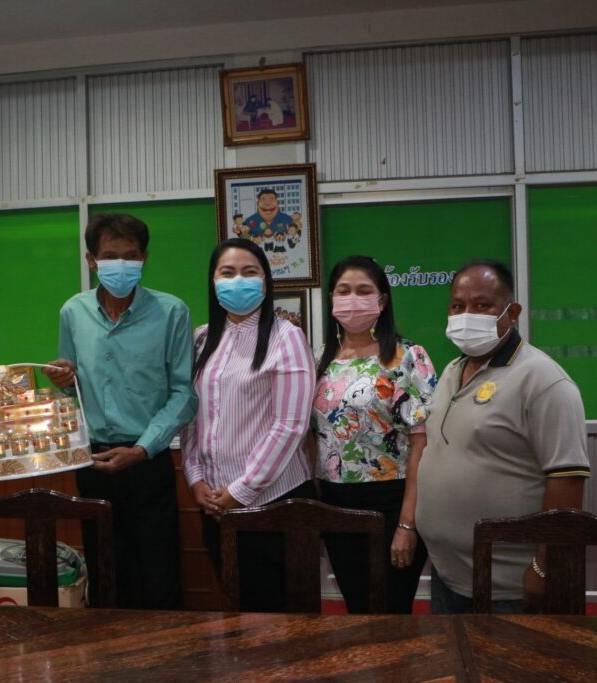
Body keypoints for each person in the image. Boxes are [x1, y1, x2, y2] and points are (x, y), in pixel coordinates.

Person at [417, 259, 590, 614]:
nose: (466, 315)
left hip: (511, 586)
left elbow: (567, 479)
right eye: (457, 306)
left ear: (512, 312)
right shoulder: (451, 370)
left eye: (482, 305)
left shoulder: (545, 381)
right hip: (448, 574)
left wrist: (544, 566)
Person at [42, 213, 197, 610]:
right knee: (106, 573)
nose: (121, 265)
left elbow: (184, 393)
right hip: (93, 460)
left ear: (144, 258)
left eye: (131, 256)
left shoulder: (172, 312)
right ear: (92, 260)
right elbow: (72, 389)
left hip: (148, 460)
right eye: (110, 256)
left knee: (158, 576)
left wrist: (142, 449)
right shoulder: (73, 312)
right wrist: (63, 381)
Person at [181, 238, 316, 613]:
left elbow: (290, 425)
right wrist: (195, 477)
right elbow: (190, 412)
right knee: (239, 613)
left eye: (249, 272)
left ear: (266, 280)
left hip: (275, 503)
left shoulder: (287, 337)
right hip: (215, 504)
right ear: (213, 281)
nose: (237, 280)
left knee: (282, 618)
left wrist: (242, 491)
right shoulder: (202, 338)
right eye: (227, 273)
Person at [311, 256, 437, 614]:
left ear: (381, 301)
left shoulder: (407, 357)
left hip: (392, 500)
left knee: (391, 611)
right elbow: (313, 437)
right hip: (335, 503)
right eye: (344, 291)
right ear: (331, 299)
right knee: (356, 609)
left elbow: (422, 444)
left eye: (363, 290)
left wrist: (407, 524)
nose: (352, 299)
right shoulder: (319, 360)